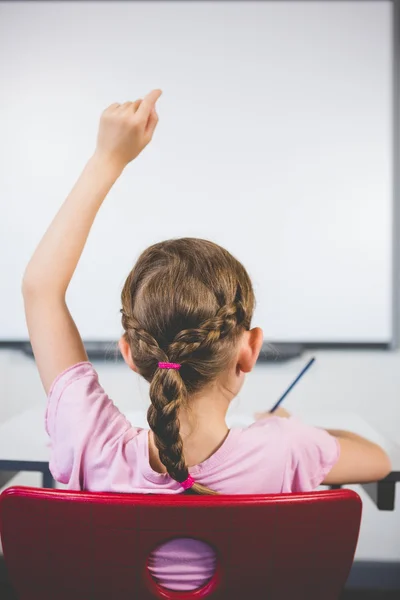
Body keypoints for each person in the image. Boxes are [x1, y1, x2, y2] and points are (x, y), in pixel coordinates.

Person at [22, 89, 391, 591]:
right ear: (249, 349)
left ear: (131, 353)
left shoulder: (90, 440)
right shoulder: (286, 450)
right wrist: (290, 425)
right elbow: (380, 459)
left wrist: (108, 157)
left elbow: (40, 289)